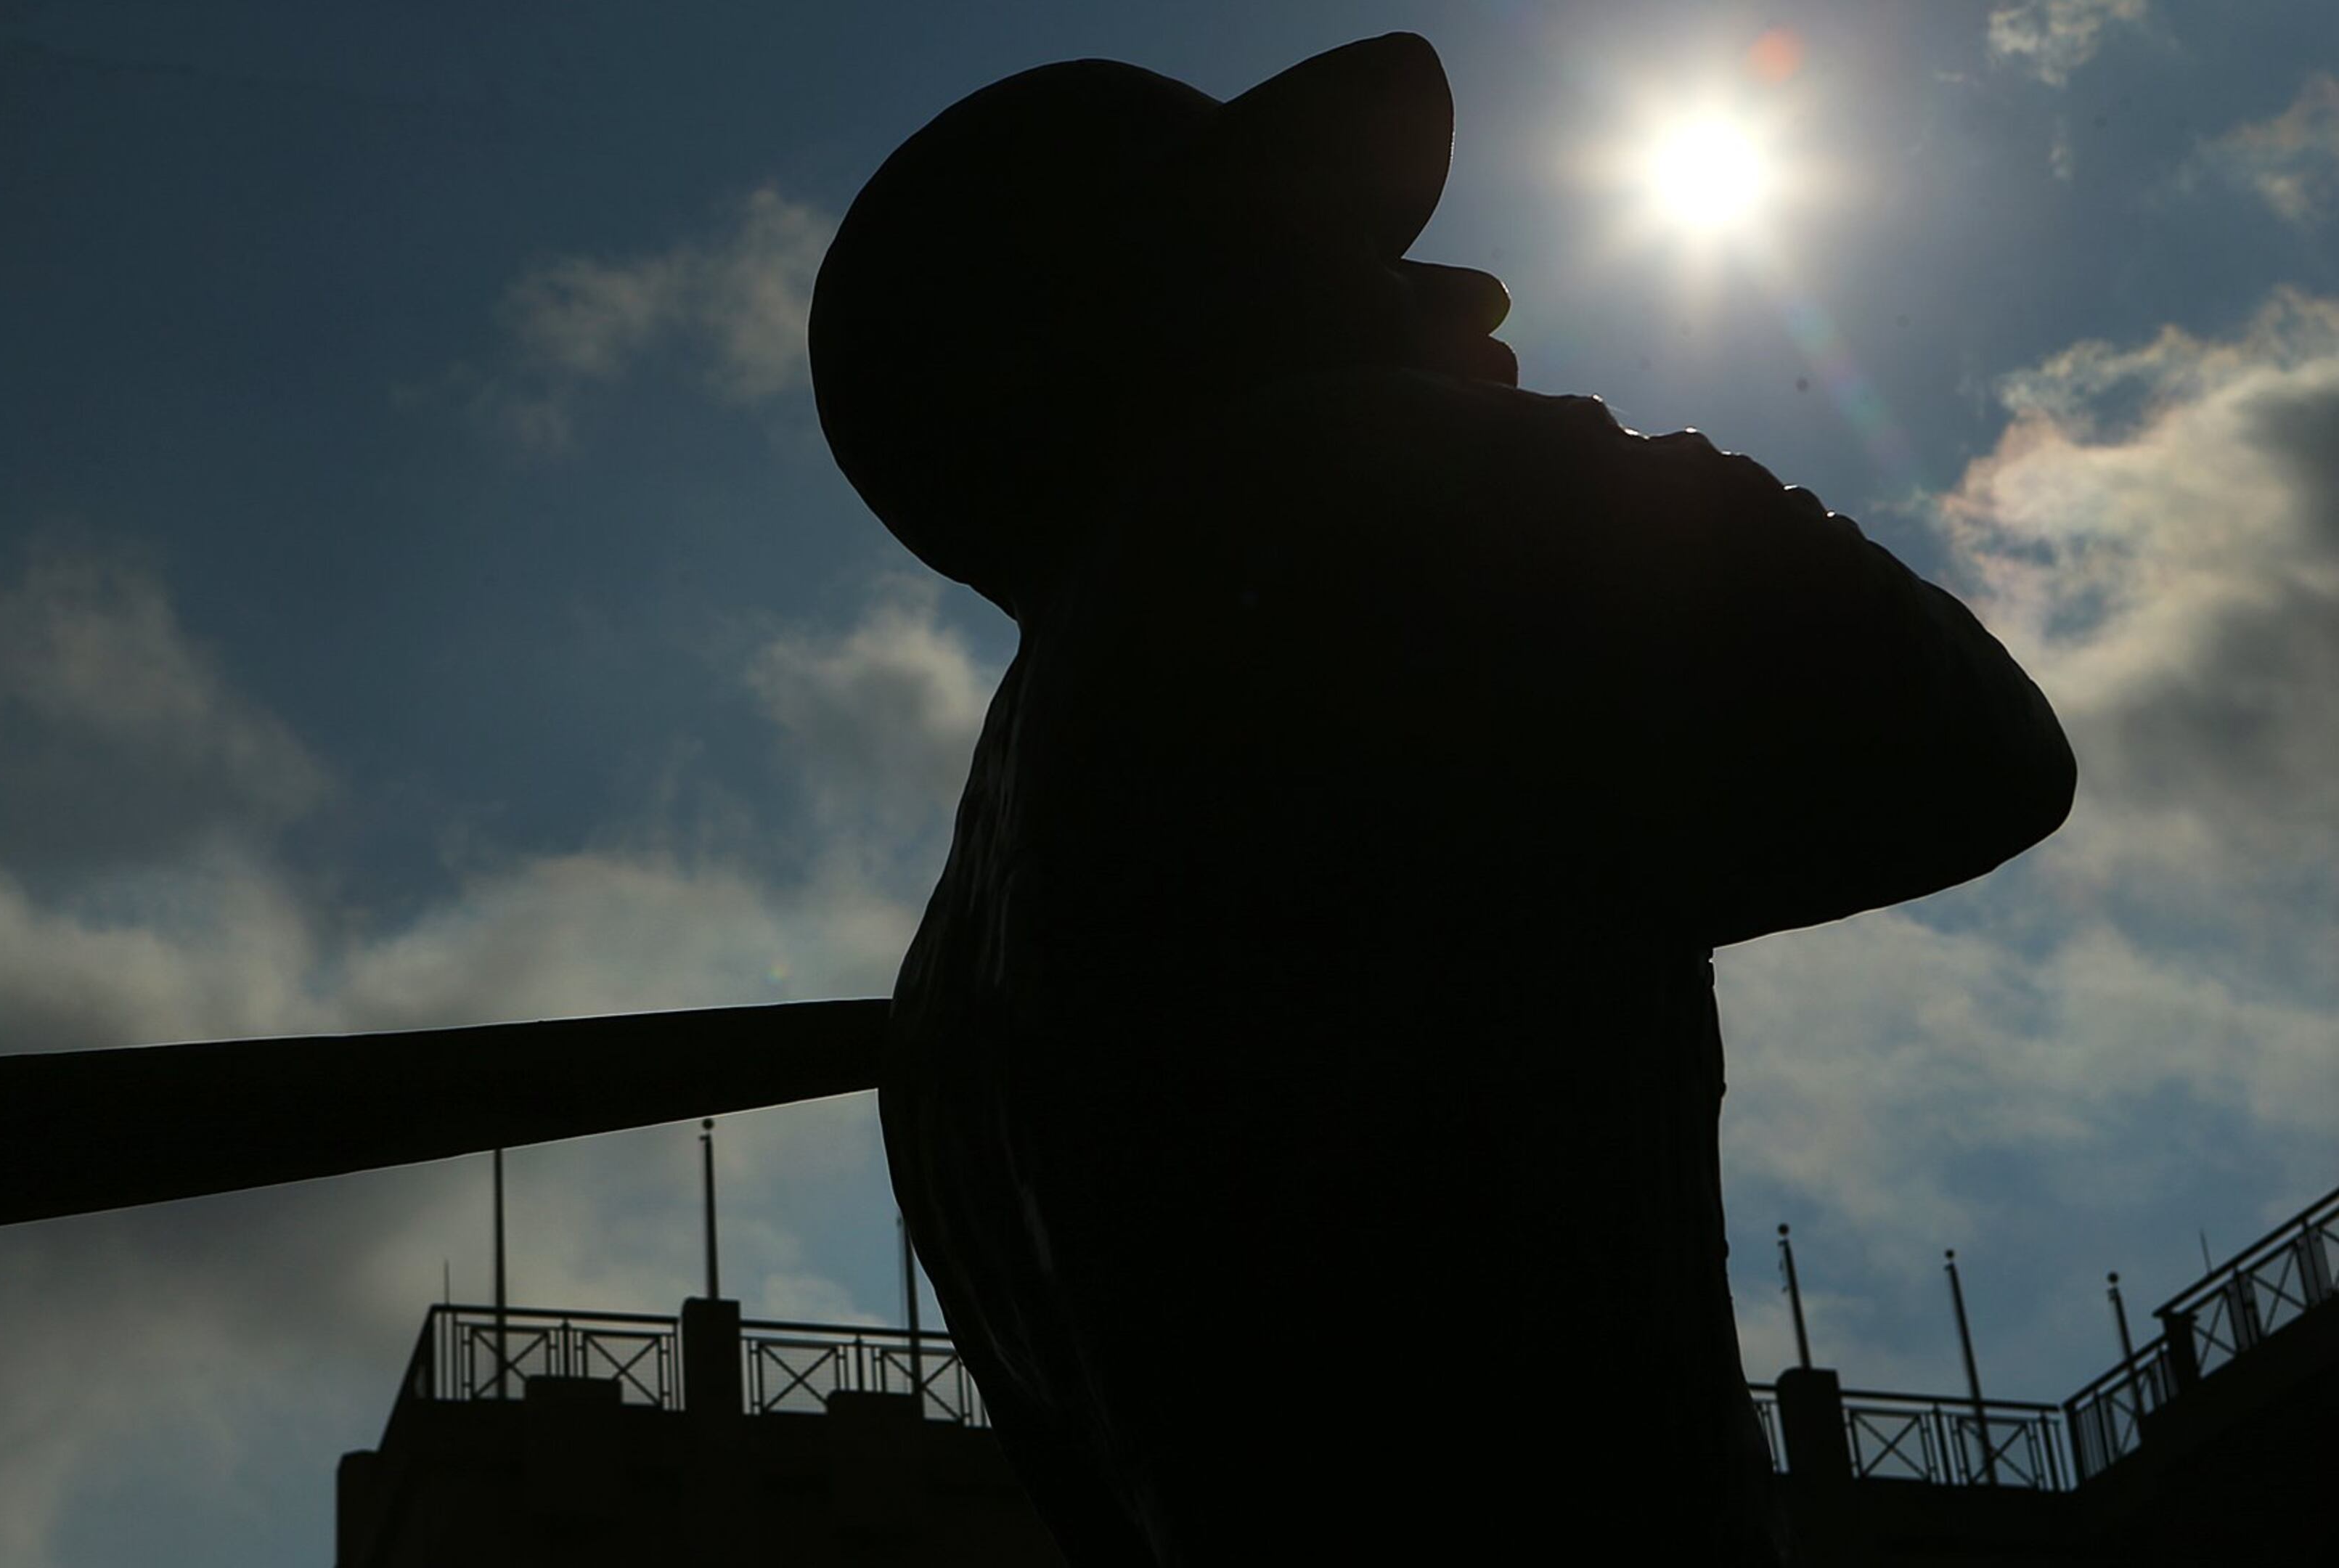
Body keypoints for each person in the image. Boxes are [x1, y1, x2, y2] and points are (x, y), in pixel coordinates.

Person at [808, 34, 2073, 1565]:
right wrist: (1595, 480)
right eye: (1331, 243)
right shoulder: (1358, 490)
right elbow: (1976, 748)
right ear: (1180, 300)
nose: (1469, 292)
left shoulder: (946, 994)